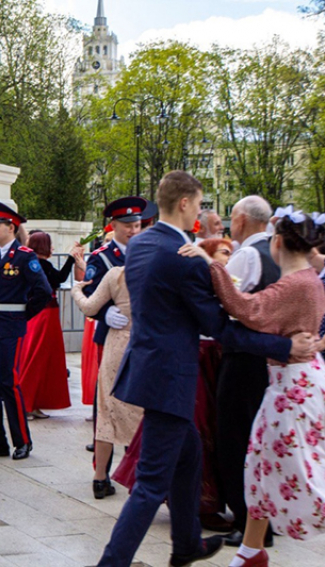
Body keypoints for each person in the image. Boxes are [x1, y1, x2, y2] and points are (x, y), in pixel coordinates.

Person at [95, 171, 314, 567]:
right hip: (170, 380)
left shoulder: (141, 242)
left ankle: (186, 544)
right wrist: (284, 346)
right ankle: (112, 562)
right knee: (150, 485)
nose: (199, 211)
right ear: (184, 203)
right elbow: (220, 329)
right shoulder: (182, 257)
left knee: (190, 457)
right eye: (198, 204)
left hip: (147, 369)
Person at [180, 209, 325, 567]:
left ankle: (250, 551)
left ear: (277, 242)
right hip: (290, 382)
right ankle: (250, 551)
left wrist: (209, 263)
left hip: (293, 386)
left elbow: (244, 306)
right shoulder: (306, 279)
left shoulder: (296, 284)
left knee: (295, 469)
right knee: (260, 464)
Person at [112, 236, 236, 530]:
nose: (228, 258)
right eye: (223, 252)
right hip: (196, 358)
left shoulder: (220, 275)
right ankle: (194, 508)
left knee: (196, 432)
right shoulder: (197, 272)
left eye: (231, 252)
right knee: (194, 426)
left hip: (214, 357)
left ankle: (186, 532)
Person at [215, 196, 281, 548]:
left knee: (235, 440)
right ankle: (269, 518)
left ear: (240, 220)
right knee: (263, 441)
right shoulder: (277, 254)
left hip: (243, 357)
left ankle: (246, 519)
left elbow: (227, 301)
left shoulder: (246, 255)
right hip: (271, 359)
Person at [0, 201, 53, 461]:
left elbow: (43, 291)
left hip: (11, 325)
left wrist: (23, 315)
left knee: (8, 382)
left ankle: (22, 440)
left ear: (11, 228)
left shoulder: (24, 256)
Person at [72, 261, 143, 499]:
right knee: (143, 414)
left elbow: (89, 307)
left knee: (107, 412)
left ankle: (100, 477)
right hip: (146, 345)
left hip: (117, 346)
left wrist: (76, 290)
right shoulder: (161, 272)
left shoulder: (116, 274)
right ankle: (139, 478)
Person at [83, 197, 145, 461]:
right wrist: (104, 313)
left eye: (136, 225)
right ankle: (102, 466)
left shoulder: (145, 253)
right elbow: (89, 293)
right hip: (111, 335)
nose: (132, 230)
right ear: (114, 225)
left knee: (137, 398)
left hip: (140, 335)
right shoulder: (102, 257)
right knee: (107, 398)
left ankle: (133, 462)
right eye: (127, 225)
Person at [18, 232, 78, 419]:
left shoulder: (32, 263)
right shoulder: (41, 264)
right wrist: (71, 258)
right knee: (37, 358)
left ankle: (33, 403)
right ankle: (28, 403)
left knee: (37, 358)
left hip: (39, 315)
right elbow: (59, 278)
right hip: (44, 315)